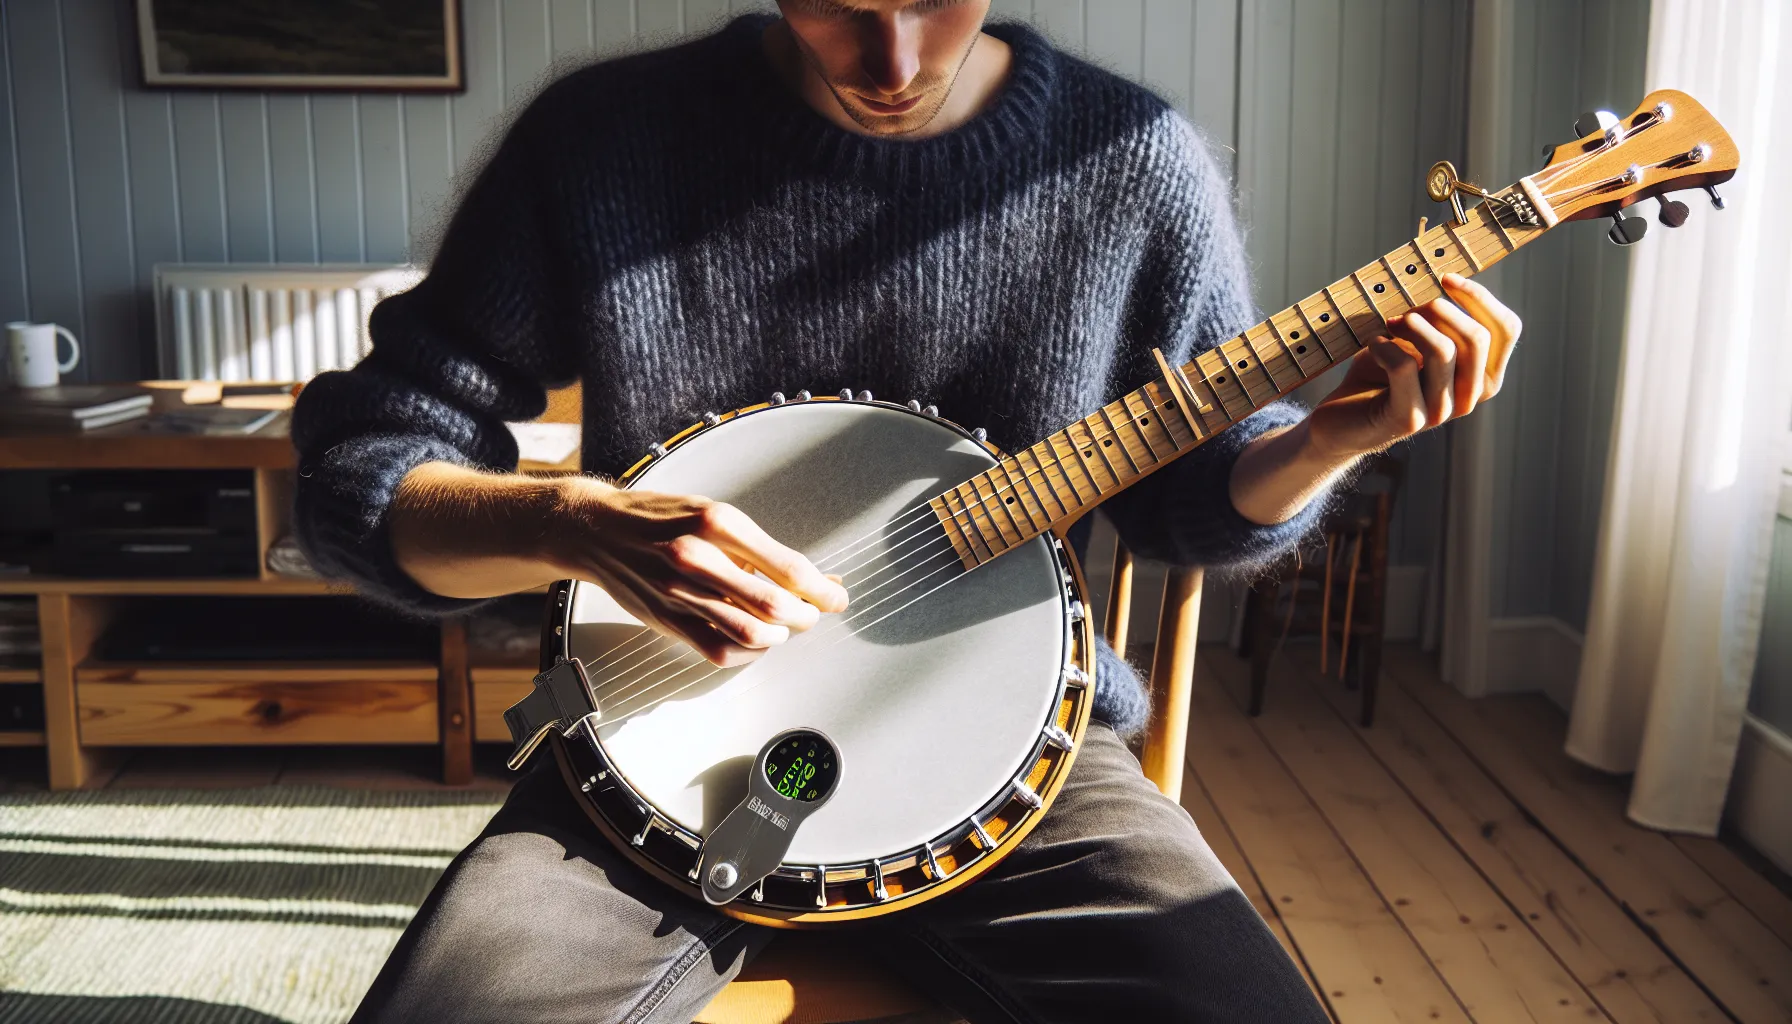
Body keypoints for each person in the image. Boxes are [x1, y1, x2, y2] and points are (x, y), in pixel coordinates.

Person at [292, 2, 1521, 1021]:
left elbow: (1189, 498)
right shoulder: (603, 140)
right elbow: (368, 456)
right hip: (651, 739)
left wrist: (1326, 437)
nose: (891, 60)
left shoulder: (1132, 159)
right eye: (838, 0)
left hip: (1030, 767)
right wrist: (568, 523)